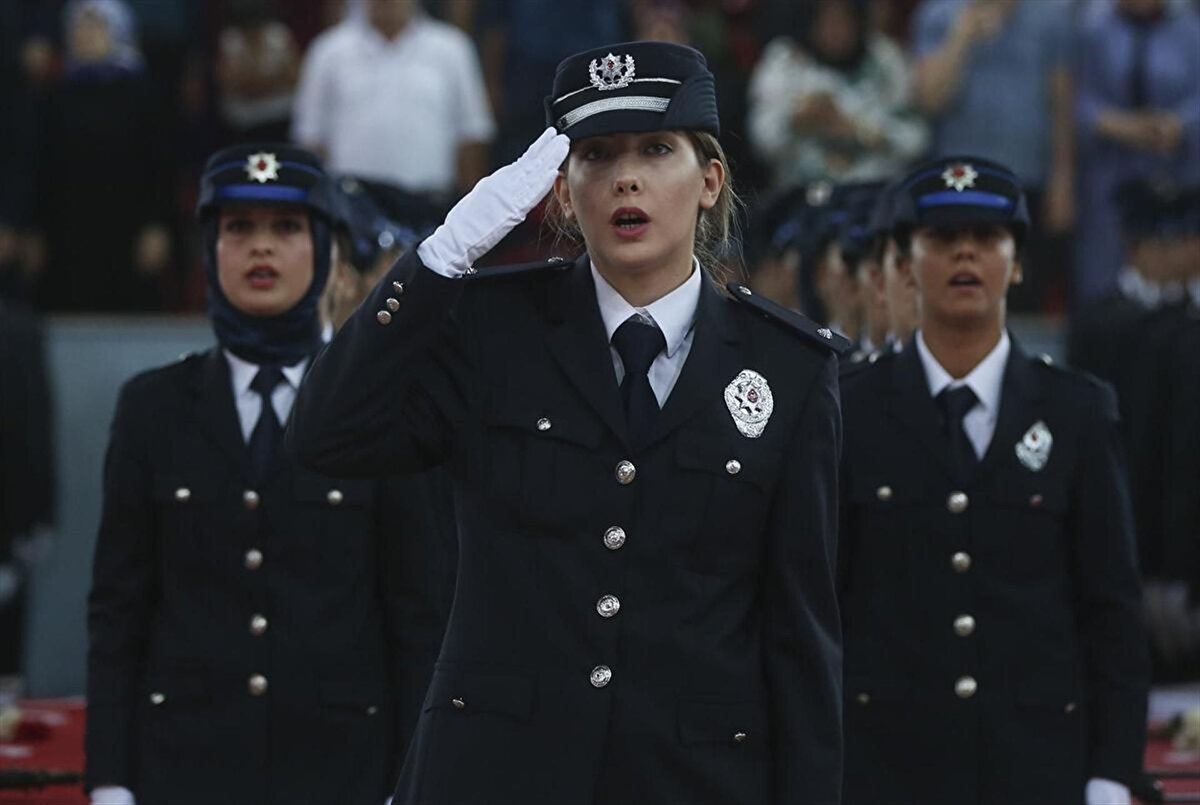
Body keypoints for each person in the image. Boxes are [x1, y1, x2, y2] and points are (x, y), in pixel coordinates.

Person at [291, 40, 850, 805]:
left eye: (656, 149)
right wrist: (440, 259)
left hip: (694, 779)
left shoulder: (789, 369)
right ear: (559, 190)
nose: (625, 176)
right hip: (496, 772)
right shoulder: (488, 331)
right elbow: (326, 433)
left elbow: (799, 638)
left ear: (711, 180)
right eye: (595, 154)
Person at [84, 144, 451, 805]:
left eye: (286, 229)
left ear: (330, 255)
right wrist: (110, 781)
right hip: (184, 769)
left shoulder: (382, 407)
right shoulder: (153, 408)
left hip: (342, 773)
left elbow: (419, 619)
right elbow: (119, 613)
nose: (262, 249)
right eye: (238, 228)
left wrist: (413, 781)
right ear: (209, 250)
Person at [838, 156, 1150, 805]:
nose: (965, 256)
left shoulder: (1077, 412)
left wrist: (1113, 774)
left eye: (986, 239)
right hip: (889, 768)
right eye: (942, 239)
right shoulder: (849, 410)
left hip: (1039, 767)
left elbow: (1112, 611)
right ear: (904, 265)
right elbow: (822, 605)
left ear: (1019, 262)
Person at [911, 0, 1076, 312]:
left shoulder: (1050, 15)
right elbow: (930, 99)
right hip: (956, 185)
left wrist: (1063, 180)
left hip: (1026, 183)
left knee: (1023, 293)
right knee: (956, 294)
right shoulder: (938, 14)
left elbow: (1062, 105)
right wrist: (960, 36)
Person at [30, 0, 173, 312]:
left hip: (128, 230)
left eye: (96, 26)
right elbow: (41, 167)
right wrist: (35, 230)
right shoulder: (56, 95)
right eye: (80, 26)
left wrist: (158, 224)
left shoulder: (142, 93)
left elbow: (160, 165)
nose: (86, 34)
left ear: (118, 31)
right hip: (67, 233)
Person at [291, 0, 495, 203]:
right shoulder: (327, 51)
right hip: (351, 204)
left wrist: (471, 207)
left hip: (430, 204)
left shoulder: (452, 48)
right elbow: (310, 138)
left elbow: (472, 134)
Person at [1073, 0, 1200, 304]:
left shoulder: (1189, 29)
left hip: (1177, 171)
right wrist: (1119, 126)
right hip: (1108, 174)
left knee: (1174, 279)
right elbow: (1071, 98)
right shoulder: (1092, 28)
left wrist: (1179, 124)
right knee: (1102, 278)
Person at [747, 0, 927, 191]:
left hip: (873, 195)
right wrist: (796, 121)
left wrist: (857, 131)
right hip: (801, 197)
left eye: (843, 19)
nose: (835, 30)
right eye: (826, 20)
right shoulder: (785, 60)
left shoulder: (885, 59)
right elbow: (760, 141)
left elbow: (917, 140)